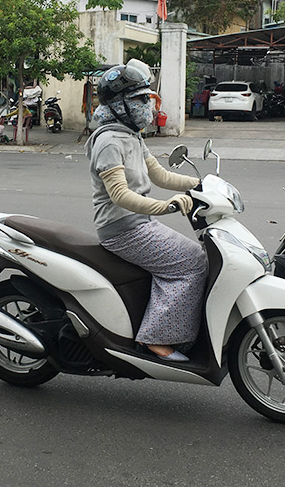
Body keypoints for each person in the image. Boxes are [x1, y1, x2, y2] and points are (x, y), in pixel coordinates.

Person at [85, 59, 207, 362]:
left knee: (193, 256)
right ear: (119, 105)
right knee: (193, 263)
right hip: (122, 229)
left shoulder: (132, 136)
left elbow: (160, 175)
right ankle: (157, 339)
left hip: (140, 224)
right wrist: (166, 206)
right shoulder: (109, 141)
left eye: (147, 98)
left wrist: (203, 184)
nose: (146, 106)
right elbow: (119, 195)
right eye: (139, 99)